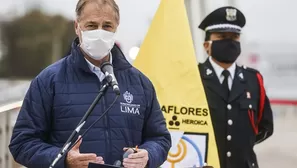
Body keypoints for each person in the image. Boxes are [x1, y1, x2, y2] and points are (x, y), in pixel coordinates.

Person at [9, 0, 171, 168]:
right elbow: (22, 143)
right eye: (92, 25)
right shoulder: (48, 81)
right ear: (77, 27)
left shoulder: (140, 83)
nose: (99, 32)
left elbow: (160, 139)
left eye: (107, 26)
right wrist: (64, 160)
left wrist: (148, 155)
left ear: (116, 27)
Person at [198, 6, 274, 168]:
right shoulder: (194, 77)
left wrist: (242, 147)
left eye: (235, 37)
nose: (229, 42)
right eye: (222, 36)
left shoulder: (253, 80)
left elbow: (265, 126)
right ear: (206, 45)